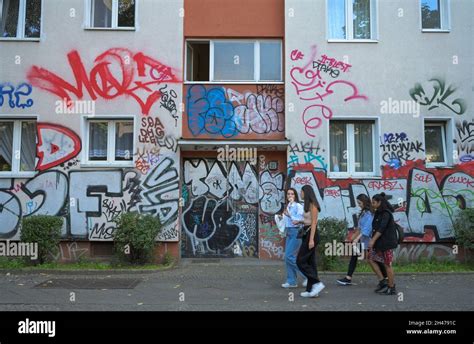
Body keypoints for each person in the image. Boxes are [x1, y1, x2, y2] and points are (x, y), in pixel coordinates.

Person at [337, 194, 388, 286]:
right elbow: (359, 228)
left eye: (359, 203)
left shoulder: (369, 214)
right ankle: (348, 278)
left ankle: (386, 278)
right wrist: (351, 238)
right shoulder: (364, 213)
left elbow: (366, 229)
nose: (358, 205)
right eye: (358, 203)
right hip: (363, 239)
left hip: (369, 240)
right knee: (355, 256)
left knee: (374, 259)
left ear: (364, 202)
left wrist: (356, 239)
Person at [296, 185, 325, 298]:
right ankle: (311, 290)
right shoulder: (307, 205)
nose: (300, 194)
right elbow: (308, 220)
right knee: (310, 263)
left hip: (311, 235)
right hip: (306, 232)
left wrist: (311, 239)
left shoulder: (313, 205)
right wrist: (299, 221)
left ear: (306, 193)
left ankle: (317, 283)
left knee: (300, 261)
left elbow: (314, 223)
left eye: (301, 192)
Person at [368, 192, 398, 295]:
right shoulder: (378, 212)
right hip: (379, 243)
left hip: (386, 243)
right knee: (371, 259)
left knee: (387, 265)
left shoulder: (386, 213)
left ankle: (391, 287)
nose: (372, 204)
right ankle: (383, 282)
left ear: (379, 202)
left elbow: (381, 229)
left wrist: (372, 240)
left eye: (374, 203)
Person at [280, 188, 307, 289]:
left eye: (292, 194)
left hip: (296, 232)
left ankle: (307, 276)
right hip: (289, 232)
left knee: (289, 256)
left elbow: (299, 220)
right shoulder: (288, 206)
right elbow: (287, 220)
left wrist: (289, 215)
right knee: (287, 258)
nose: (290, 196)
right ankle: (291, 281)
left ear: (295, 196)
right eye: (288, 194)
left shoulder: (298, 206)